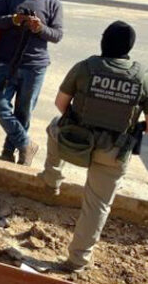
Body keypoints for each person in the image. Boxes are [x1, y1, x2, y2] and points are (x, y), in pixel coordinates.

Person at [38, 22, 147, 274]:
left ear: (103, 41)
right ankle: (77, 261)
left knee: (55, 126)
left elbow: (60, 103)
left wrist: (80, 122)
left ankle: (52, 178)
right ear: (130, 47)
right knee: (97, 205)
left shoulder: (85, 67)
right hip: (114, 153)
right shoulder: (141, 76)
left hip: (75, 144)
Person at [0, 0, 64, 165]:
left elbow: (57, 35)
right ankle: (26, 144)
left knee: (24, 111)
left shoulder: (53, 4)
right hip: (7, 62)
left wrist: (40, 28)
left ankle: (10, 152)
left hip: (35, 65)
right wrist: (14, 20)